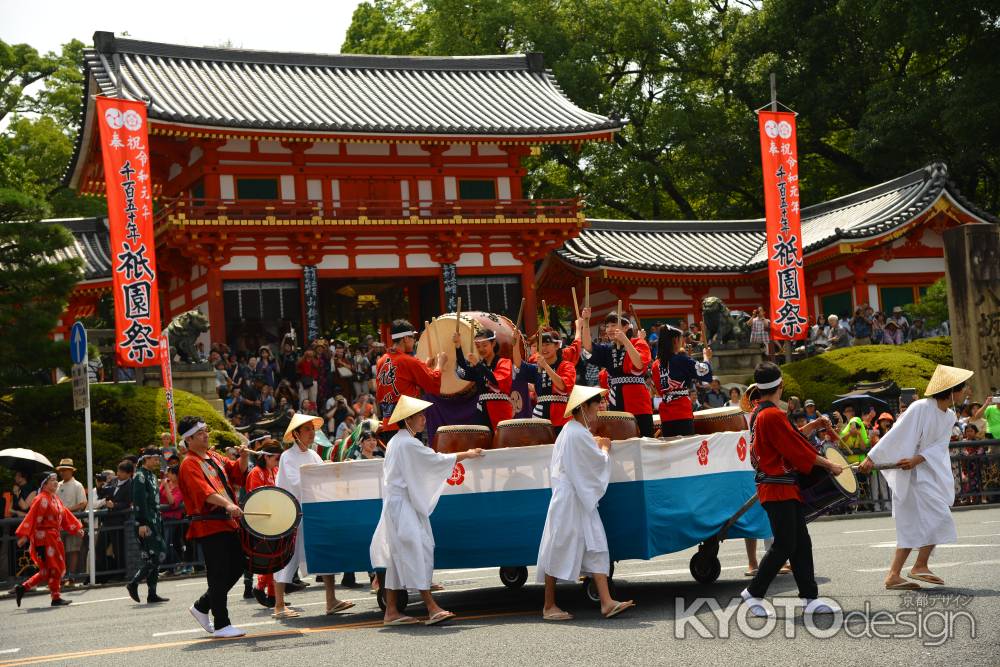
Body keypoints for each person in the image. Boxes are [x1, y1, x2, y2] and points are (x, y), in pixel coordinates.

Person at [741, 362, 845, 618]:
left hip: (779, 487)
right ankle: (753, 592)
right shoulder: (771, 415)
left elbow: (789, 438)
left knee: (800, 543)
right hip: (778, 488)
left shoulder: (760, 413)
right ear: (781, 385)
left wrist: (812, 426)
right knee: (786, 544)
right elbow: (795, 449)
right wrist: (829, 464)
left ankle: (810, 598)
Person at [370, 395, 484, 626]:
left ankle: (391, 611)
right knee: (418, 550)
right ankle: (431, 607)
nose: (424, 418)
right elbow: (435, 461)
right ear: (408, 419)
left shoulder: (397, 442)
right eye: (419, 415)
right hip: (401, 506)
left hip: (396, 505)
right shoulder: (407, 443)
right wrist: (467, 454)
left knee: (398, 556)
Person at [860, 365, 973, 590]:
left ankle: (897, 574)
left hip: (926, 470)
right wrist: (871, 457)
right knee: (934, 517)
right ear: (952, 390)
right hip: (910, 475)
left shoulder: (950, 416)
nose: (966, 392)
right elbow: (896, 433)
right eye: (963, 388)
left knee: (923, 520)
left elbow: (939, 445)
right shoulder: (921, 407)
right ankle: (917, 566)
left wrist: (917, 459)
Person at [536, 384, 635, 621]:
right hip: (571, 500)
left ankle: (606, 601)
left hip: (575, 499)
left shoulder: (571, 431)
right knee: (559, 548)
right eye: (596, 405)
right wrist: (604, 449)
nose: (599, 409)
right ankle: (549, 605)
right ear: (583, 407)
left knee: (595, 545)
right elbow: (595, 464)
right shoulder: (577, 433)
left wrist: (597, 445)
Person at [273, 413, 354, 619]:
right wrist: (321, 472)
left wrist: (333, 468)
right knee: (287, 556)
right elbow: (295, 483)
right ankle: (279, 605)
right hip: (294, 513)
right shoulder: (287, 457)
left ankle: (331, 600)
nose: (312, 433)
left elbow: (320, 479)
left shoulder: (313, 455)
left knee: (325, 550)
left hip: (315, 512)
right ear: (296, 434)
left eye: (312, 429)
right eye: (307, 429)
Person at [177, 414, 250, 638]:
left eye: (205, 431)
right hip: (209, 523)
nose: (205, 435)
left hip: (227, 521)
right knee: (218, 574)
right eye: (200, 433)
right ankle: (221, 624)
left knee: (238, 566)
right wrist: (228, 504)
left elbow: (236, 473)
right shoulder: (189, 463)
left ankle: (202, 606)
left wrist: (244, 457)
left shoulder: (214, 456)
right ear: (189, 439)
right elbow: (203, 492)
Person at [13, 473, 84, 607]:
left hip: (53, 537)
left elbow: (64, 515)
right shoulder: (41, 499)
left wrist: (76, 529)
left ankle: (23, 588)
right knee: (55, 567)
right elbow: (32, 517)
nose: (56, 482)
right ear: (44, 484)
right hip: (44, 539)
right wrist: (25, 536)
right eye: (52, 480)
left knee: (47, 570)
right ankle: (55, 597)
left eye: (56, 480)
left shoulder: (54, 498)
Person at [582, 311, 653, 436]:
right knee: (618, 439)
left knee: (644, 438)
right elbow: (588, 347)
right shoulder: (608, 348)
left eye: (613, 325)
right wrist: (586, 322)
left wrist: (625, 340)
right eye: (607, 326)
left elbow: (639, 364)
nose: (609, 329)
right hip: (616, 398)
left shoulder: (639, 343)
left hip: (637, 400)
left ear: (625, 327)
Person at [375, 319, 444, 442]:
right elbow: (433, 383)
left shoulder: (381, 361)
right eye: (413, 337)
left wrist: (424, 367)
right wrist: (440, 364)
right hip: (407, 424)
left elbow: (403, 382)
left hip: (388, 424)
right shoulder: (408, 361)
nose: (414, 341)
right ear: (406, 338)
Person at [653, 325, 712, 436]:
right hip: (682, 410)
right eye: (681, 339)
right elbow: (704, 370)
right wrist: (706, 357)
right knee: (686, 445)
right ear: (675, 340)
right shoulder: (679, 359)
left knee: (671, 445)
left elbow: (660, 391)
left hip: (666, 413)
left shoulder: (656, 364)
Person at [127, 448, 170, 604]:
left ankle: (152, 593)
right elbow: (138, 501)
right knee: (160, 553)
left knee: (153, 557)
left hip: (155, 519)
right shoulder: (139, 476)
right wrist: (142, 523)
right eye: (155, 459)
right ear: (146, 459)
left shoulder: (150, 475)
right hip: (146, 521)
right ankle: (134, 582)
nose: (158, 461)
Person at [454, 328, 514, 430]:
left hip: (500, 411)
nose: (481, 349)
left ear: (493, 343)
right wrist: (458, 346)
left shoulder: (504, 362)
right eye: (478, 346)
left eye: (484, 345)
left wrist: (477, 364)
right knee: (482, 438)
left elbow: (496, 380)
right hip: (482, 411)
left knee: (501, 439)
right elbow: (464, 371)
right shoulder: (479, 366)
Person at [245, 440, 282, 607]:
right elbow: (256, 499)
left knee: (277, 557)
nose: (278, 461)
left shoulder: (275, 470)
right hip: (262, 520)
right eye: (276, 458)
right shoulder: (256, 473)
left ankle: (271, 594)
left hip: (276, 518)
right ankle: (262, 588)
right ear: (266, 457)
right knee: (271, 558)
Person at [55, 459, 87, 583]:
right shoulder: (57, 485)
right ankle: (61, 577)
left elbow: (83, 503)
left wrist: (66, 510)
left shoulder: (77, 485)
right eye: (61, 470)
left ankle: (71, 577)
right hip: (59, 523)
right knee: (60, 551)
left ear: (71, 471)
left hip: (72, 522)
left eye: (65, 470)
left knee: (73, 550)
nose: (62, 472)